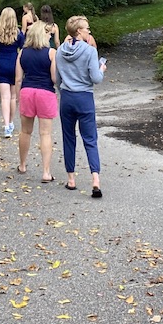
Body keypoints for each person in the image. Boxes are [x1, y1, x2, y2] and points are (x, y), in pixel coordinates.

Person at [55, 16, 107, 198]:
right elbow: (96, 79)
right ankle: (95, 179)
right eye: (87, 29)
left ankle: (71, 179)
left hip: (67, 97)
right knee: (90, 138)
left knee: (68, 138)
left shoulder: (60, 51)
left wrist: (64, 91)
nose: (88, 31)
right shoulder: (90, 51)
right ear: (79, 31)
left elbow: (57, 79)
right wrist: (101, 69)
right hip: (84, 97)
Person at [15, 21, 57, 182]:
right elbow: (54, 78)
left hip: (27, 91)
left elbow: (18, 79)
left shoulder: (22, 53)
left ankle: (22, 164)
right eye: (48, 33)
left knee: (25, 131)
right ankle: (46, 172)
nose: (50, 36)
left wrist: (18, 97)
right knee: (45, 133)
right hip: (45, 92)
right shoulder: (51, 53)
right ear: (42, 34)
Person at [0, 7, 25, 138]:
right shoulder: (19, 34)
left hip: (1, 64)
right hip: (15, 65)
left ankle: (6, 126)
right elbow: (23, 51)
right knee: (13, 97)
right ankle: (11, 121)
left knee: (4, 97)